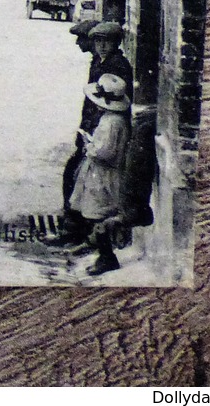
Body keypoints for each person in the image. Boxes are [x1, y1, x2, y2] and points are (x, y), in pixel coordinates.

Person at [50, 20, 134, 246]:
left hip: (102, 133)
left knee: (86, 183)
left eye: (105, 42)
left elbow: (112, 102)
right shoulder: (99, 61)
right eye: (97, 41)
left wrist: (93, 133)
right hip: (93, 130)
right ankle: (79, 231)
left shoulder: (115, 66)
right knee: (79, 179)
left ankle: (79, 233)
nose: (101, 46)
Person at [69, 72, 131, 276]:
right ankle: (99, 248)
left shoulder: (112, 122)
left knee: (100, 214)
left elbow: (105, 152)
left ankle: (107, 257)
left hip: (104, 175)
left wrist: (90, 147)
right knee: (96, 212)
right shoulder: (112, 119)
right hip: (100, 172)